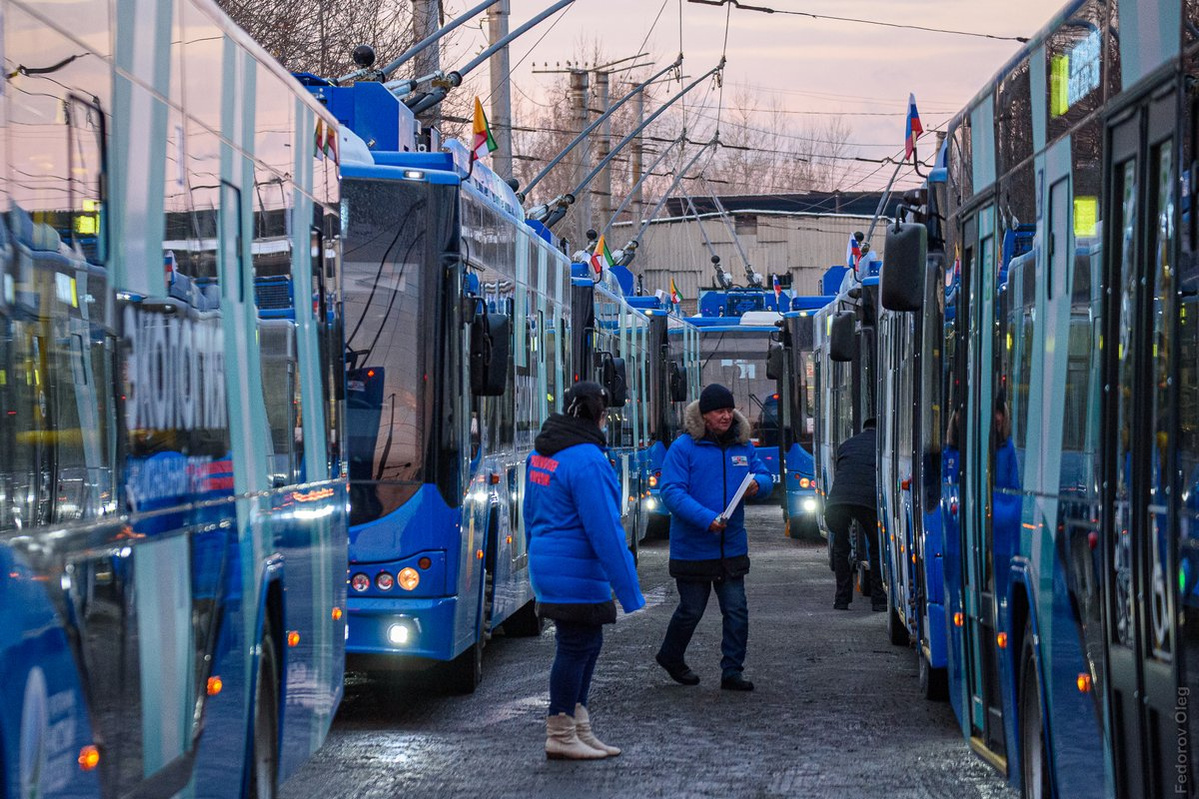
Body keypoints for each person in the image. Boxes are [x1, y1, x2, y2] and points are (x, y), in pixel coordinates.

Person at [524, 381, 645, 760]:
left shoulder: (542, 454)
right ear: (600, 415)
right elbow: (606, 530)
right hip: (575, 566)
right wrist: (630, 592)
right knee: (576, 647)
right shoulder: (588, 460)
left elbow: (530, 514)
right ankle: (560, 731)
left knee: (584, 644)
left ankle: (578, 728)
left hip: (551, 564)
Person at [655, 383, 773, 692]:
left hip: (731, 546)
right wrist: (706, 519)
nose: (726, 416)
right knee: (690, 610)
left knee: (736, 610)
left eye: (729, 410)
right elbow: (671, 492)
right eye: (719, 411)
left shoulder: (743, 446)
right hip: (694, 547)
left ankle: (732, 671)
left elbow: (763, 474)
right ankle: (671, 656)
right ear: (704, 416)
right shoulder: (683, 448)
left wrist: (758, 485)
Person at [824, 418, 884, 611]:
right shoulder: (882, 445)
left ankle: (841, 600)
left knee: (841, 548)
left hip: (837, 502)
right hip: (867, 501)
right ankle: (879, 600)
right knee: (875, 547)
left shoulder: (846, 445)